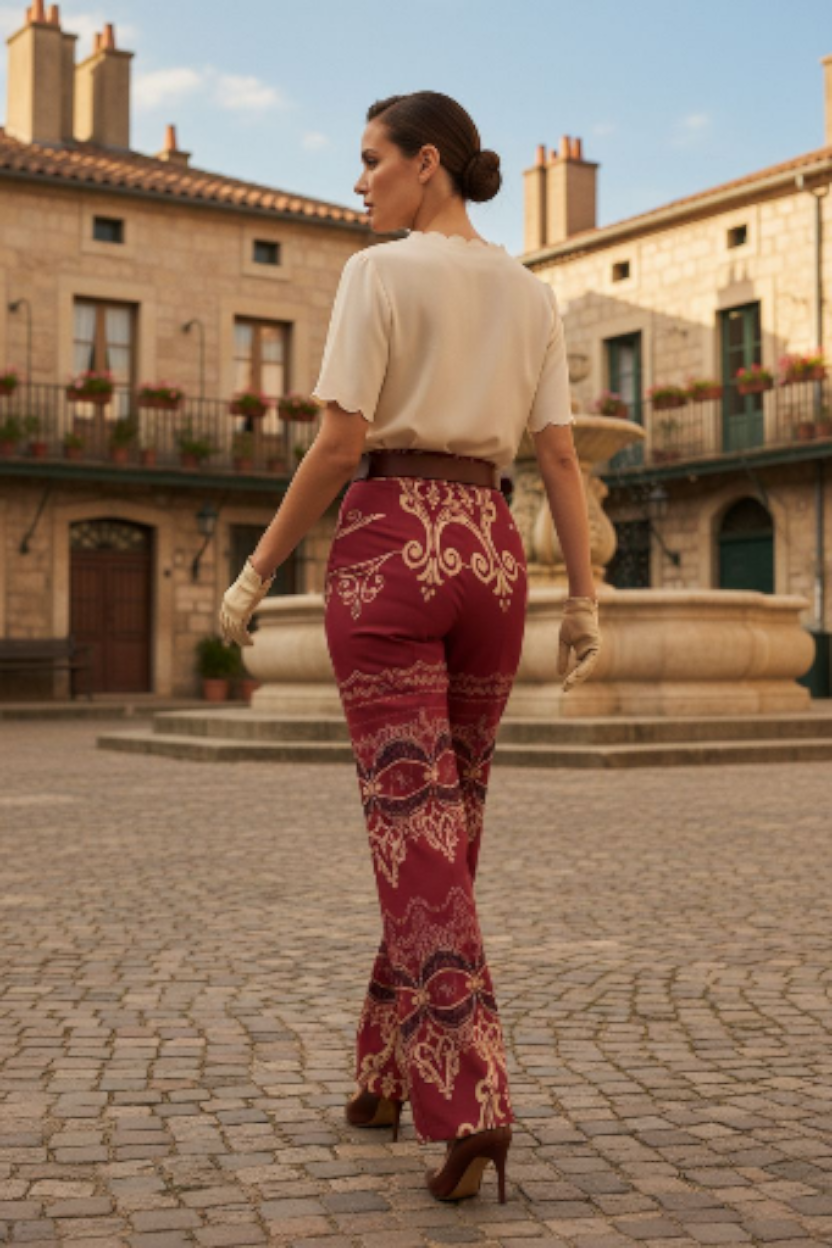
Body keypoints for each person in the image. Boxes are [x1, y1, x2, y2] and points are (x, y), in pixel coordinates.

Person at [219, 90, 601, 1204]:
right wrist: (581, 598)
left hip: (390, 548)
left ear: (425, 163)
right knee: (446, 828)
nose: (360, 181)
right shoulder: (531, 294)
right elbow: (563, 458)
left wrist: (255, 571)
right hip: (489, 553)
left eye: (370, 160)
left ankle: (469, 1096)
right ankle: (384, 1071)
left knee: (411, 829)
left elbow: (340, 443)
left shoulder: (376, 273)